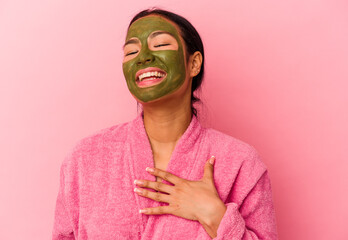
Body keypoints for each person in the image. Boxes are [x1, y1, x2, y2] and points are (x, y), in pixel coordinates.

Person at [52, 8, 278, 240]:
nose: (143, 57)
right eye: (131, 51)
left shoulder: (241, 163)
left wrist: (214, 216)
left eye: (160, 45)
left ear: (194, 63)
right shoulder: (84, 159)